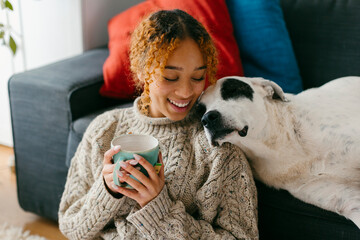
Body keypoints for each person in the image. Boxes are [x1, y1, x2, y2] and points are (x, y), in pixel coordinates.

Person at [59, 9, 258, 240]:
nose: (185, 92)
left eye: (197, 77)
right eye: (170, 77)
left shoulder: (220, 150)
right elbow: (70, 225)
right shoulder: (104, 130)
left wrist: (158, 209)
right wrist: (106, 191)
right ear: (144, 72)